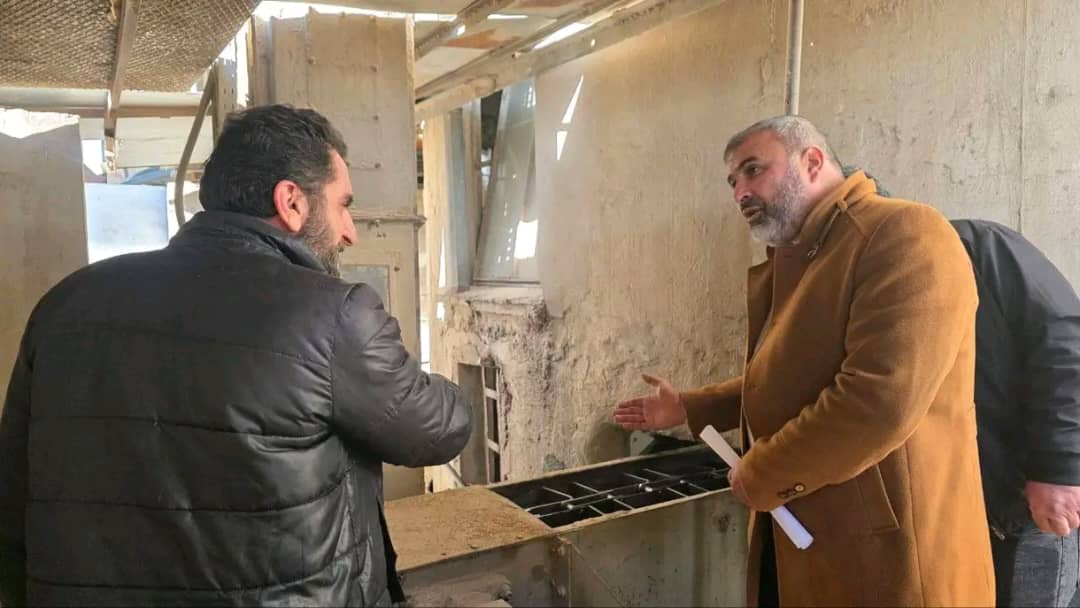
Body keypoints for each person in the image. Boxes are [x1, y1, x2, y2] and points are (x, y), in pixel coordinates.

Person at [0, 104, 471, 607]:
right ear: (291, 201)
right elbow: (435, 430)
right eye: (342, 205)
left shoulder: (64, 305)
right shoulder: (331, 315)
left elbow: (13, 498)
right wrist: (433, 383)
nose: (350, 231)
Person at [614, 116, 994, 606]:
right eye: (733, 181)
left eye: (754, 170)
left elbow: (877, 401)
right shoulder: (806, 255)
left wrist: (762, 473)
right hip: (810, 536)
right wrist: (690, 408)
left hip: (890, 555)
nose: (740, 193)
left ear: (812, 161)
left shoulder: (904, 233)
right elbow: (793, 379)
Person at [951, 219, 1080, 607]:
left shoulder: (980, 247)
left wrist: (1059, 470)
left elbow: (1066, 346)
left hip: (1028, 501)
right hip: (961, 509)